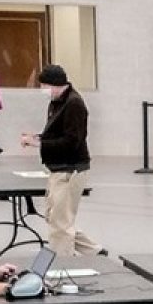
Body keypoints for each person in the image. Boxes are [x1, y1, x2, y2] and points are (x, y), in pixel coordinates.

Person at [19, 64, 102, 257]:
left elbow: (72, 140)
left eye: (44, 86)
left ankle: (62, 264)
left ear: (55, 85)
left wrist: (38, 144)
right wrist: (38, 138)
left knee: (60, 223)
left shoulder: (74, 104)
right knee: (54, 216)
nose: (42, 90)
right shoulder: (56, 102)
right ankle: (94, 252)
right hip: (57, 168)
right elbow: (58, 133)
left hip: (70, 169)